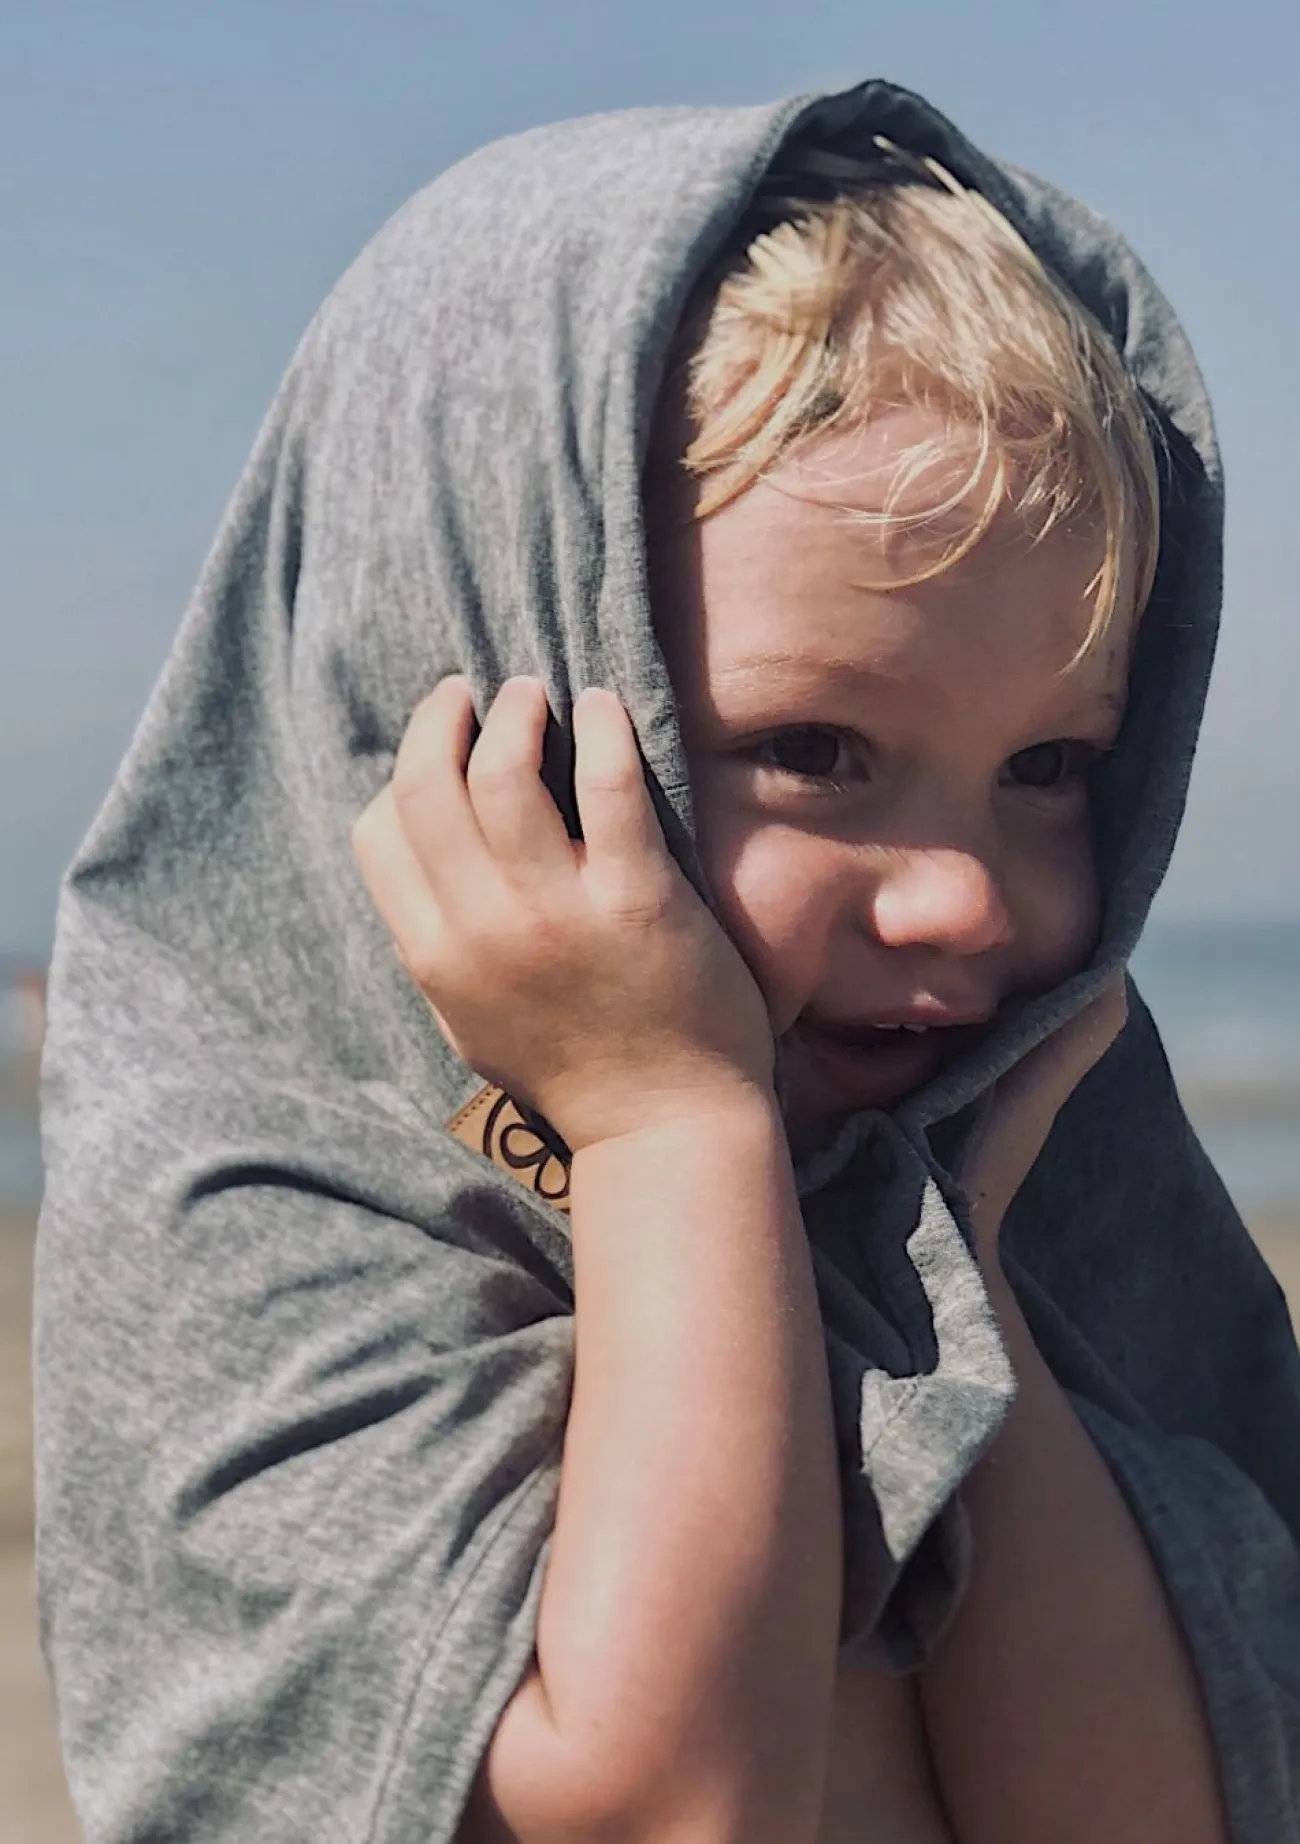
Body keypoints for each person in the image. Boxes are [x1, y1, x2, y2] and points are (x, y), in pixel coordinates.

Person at [34, 79, 1300, 1844]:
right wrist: (666, 1129)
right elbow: (673, 1808)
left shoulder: (1044, 1185)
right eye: (815, 751)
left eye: (1051, 767)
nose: (961, 901)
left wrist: (962, 1279)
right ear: (482, 689)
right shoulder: (274, 1215)